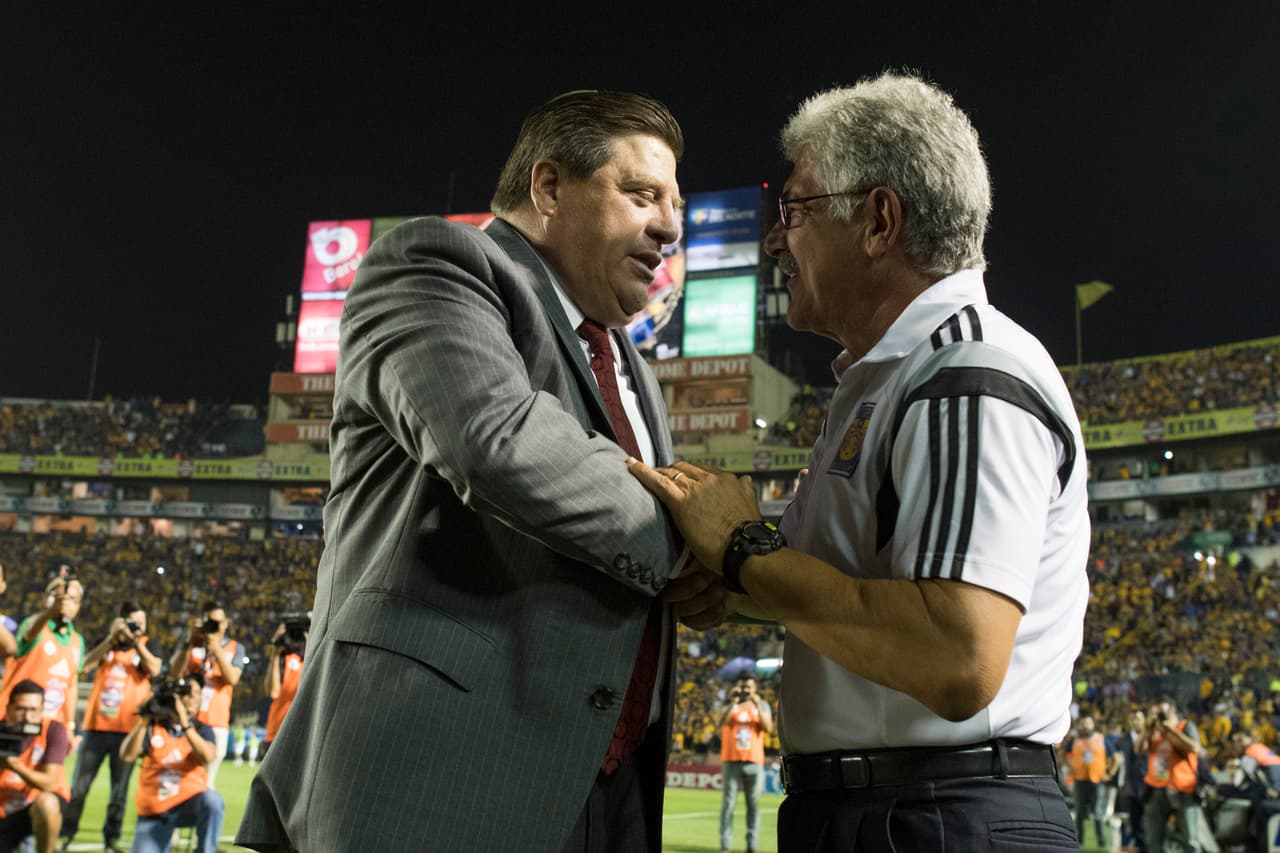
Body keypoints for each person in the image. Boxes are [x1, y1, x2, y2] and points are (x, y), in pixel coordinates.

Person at [629, 72, 1089, 851]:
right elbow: (854, 589)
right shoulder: (888, 377)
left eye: (797, 209)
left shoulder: (967, 369)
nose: (776, 238)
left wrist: (746, 552)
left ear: (879, 221)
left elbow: (957, 654)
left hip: (940, 813)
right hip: (895, 808)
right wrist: (733, 586)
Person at [237, 89, 688, 853]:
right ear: (549, 188)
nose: (670, 226)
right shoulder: (440, 263)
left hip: (603, 791)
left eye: (675, 203)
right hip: (435, 776)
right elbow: (497, 440)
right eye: (642, 193)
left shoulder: (630, 363)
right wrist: (701, 538)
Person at [59, 602, 162, 853]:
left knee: (119, 791)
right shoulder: (107, 643)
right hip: (96, 728)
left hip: (128, 732)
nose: (140, 628)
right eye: (134, 622)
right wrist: (110, 639)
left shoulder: (149, 645)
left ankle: (110, 838)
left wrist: (137, 642)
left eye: (142, 623)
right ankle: (66, 833)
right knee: (79, 787)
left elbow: (156, 669)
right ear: (122, 621)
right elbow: (83, 666)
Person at [119, 673, 224, 853]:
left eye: (198, 693)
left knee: (213, 801)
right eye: (187, 693)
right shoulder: (154, 726)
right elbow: (127, 755)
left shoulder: (201, 729)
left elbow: (207, 756)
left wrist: (185, 724)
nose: (193, 698)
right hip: (155, 810)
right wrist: (144, 720)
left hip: (188, 803)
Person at [0, 570, 85, 733]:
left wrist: (70, 723)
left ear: (79, 606)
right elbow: (28, 634)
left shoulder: (77, 641)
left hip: (53, 724)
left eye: (72, 599)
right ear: (46, 600)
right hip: (17, 718)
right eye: (57, 597)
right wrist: (49, 613)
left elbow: (72, 685)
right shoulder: (34, 626)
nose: (65, 603)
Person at [170, 602, 242, 788]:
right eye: (209, 621)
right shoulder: (192, 644)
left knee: (206, 783)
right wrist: (188, 642)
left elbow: (233, 678)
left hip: (216, 721)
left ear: (225, 623)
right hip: (188, 720)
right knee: (179, 778)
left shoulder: (235, 648)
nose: (213, 626)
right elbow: (173, 672)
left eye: (217, 622)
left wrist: (216, 649)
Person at [0, 680, 71, 853]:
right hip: (4, 809)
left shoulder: (53, 730)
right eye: (20, 709)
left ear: (41, 711)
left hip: (34, 809)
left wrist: (15, 766)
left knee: (47, 802)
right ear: (8, 709)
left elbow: (48, 783)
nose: (27, 716)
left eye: (33, 710)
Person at [1140, 699, 1203, 853]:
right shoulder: (1154, 730)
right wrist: (1147, 729)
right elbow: (1139, 749)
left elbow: (1195, 748)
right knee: (1154, 837)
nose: (1158, 716)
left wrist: (1172, 730)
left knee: (1191, 839)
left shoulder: (1185, 726)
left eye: (1161, 712)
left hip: (1182, 787)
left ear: (1172, 711)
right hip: (1157, 787)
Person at [717, 676, 773, 853]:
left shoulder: (762, 706)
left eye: (749, 687)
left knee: (753, 805)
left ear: (755, 689)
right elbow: (721, 723)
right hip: (731, 759)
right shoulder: (729, 704)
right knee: (728, 804)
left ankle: (752, 846)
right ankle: (725, 845)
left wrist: (757, 704)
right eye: (743, 687)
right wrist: (733, 701)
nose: (745, 691)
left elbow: (769, 728)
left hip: (754, 760)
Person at [259, 621, 305, 760]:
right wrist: (276, 651)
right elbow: (273, 692)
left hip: (297, 733)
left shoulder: (309, 659)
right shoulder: (282, 659)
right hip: (278, 731)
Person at [1065, 714, 1108, 847]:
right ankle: (1080, 840)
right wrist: (1070, 769)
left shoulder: (1101, 739)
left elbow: (1116, 756)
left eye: (1088, 723)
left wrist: (1110, 773)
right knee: (1080, 813)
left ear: (1093, 725)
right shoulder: (1075, 740)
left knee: (1098, 813)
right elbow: (1064, 755)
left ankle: (1101, 841)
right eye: (1083, 723)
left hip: (1097, 781)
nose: (1085, 726)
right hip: (1080, 781)